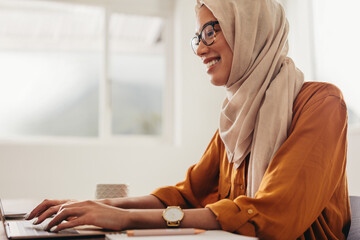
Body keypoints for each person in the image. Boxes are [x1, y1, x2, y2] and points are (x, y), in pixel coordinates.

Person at [25, 0, 351, 239]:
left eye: (212, 30)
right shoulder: (237, 118)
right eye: (198, 36)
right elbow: (184, 195)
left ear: (251, 28)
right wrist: (99, 206)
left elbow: (272, 216)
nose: (200, 49)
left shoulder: (321, 104)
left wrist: (125, 220)